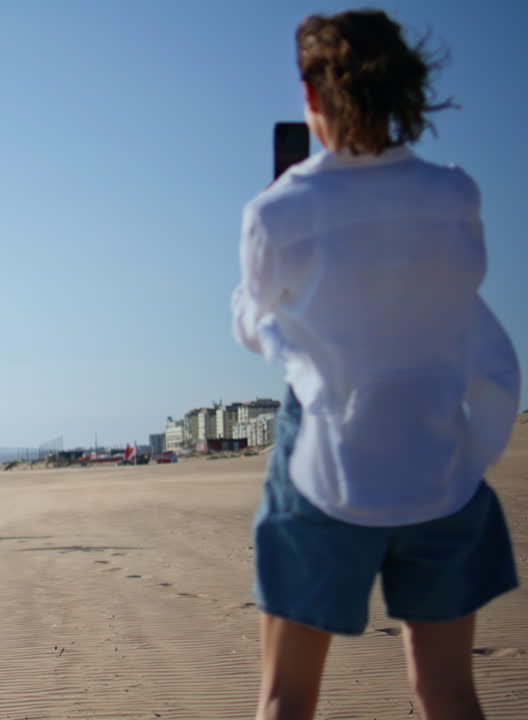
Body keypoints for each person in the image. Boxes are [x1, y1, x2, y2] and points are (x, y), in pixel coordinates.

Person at [231, 11, 520, 720]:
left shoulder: (280, 209)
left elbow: (252, 320)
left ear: (310, 94)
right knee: (449, 693)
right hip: (438, 462)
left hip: (327, 471)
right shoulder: (456, 195)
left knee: (287, 696)